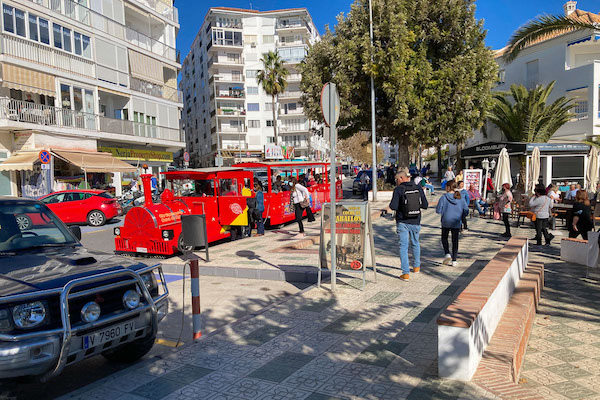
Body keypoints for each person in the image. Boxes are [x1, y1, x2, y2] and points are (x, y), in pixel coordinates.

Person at [389, 168, 429, 281]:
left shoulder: (398, 189)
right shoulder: (417, 187)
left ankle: (405, 273)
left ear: (401, 178)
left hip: (402, 221)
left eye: (396, 179)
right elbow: (425, 205)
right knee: (415, 243)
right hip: (416, 220)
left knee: (403, 247)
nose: (396, 181)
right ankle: (416, 267)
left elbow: (393, 206)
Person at [436, 180, 469, 267]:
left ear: (448, 187)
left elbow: (438, 210)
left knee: (444, 238)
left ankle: (447, 253)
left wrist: (444, 211)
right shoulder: (460, 197)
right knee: (455, 241)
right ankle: (454, 260)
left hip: (446, 221)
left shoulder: (443, 197)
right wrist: (461, 216)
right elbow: (466, 210)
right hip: (456, 221)